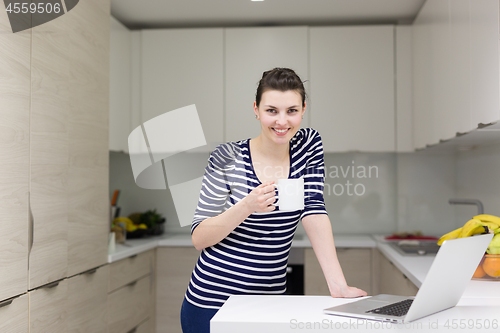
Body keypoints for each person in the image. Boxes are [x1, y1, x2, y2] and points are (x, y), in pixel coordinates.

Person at [180, 68, 367, 333]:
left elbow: (313, 208)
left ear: (303, 109)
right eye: (271, 111)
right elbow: (199, 237)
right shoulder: (226, 156)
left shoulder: (308, 145)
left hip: (270, 302)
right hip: (213, 303)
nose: (282, 122)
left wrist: (338, 284)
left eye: (292, 110)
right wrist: (246, 206)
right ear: (256, 109)